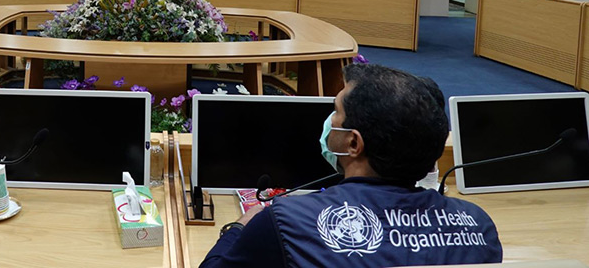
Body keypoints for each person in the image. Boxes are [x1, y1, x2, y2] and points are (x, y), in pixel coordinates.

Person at [201, 63, 502, 268]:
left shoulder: (286, 222)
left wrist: (239, 228)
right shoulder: (478, 226)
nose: (329, 120)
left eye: (336, 111)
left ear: (353, 144)